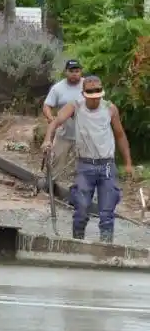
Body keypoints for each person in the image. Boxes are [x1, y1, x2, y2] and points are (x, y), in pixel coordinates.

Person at [41, 75, 133, 243]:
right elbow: (55, 123)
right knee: (81, 208)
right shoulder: (75, 106)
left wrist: (128, 163)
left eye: (98, 93)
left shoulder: (110, 109)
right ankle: (77, 242)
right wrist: (48, 140)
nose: (95, 97)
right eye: (91, 93)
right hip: (85, 165)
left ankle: (106, 247)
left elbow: (120, 135)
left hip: (106, 165)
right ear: (83, 93)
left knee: (107, 210)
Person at [42, 59, 83, 180]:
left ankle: (78, 193)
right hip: (63, 134)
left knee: (81, 169)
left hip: (83, 136)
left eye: (77, 71)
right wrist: (51, 119)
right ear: (66, 72)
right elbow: (47, 106)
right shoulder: (58, 88)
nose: (74, 73)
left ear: (81, 72)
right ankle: (51, 186)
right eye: (71, 71)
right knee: (56, 165)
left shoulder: (88, 86)